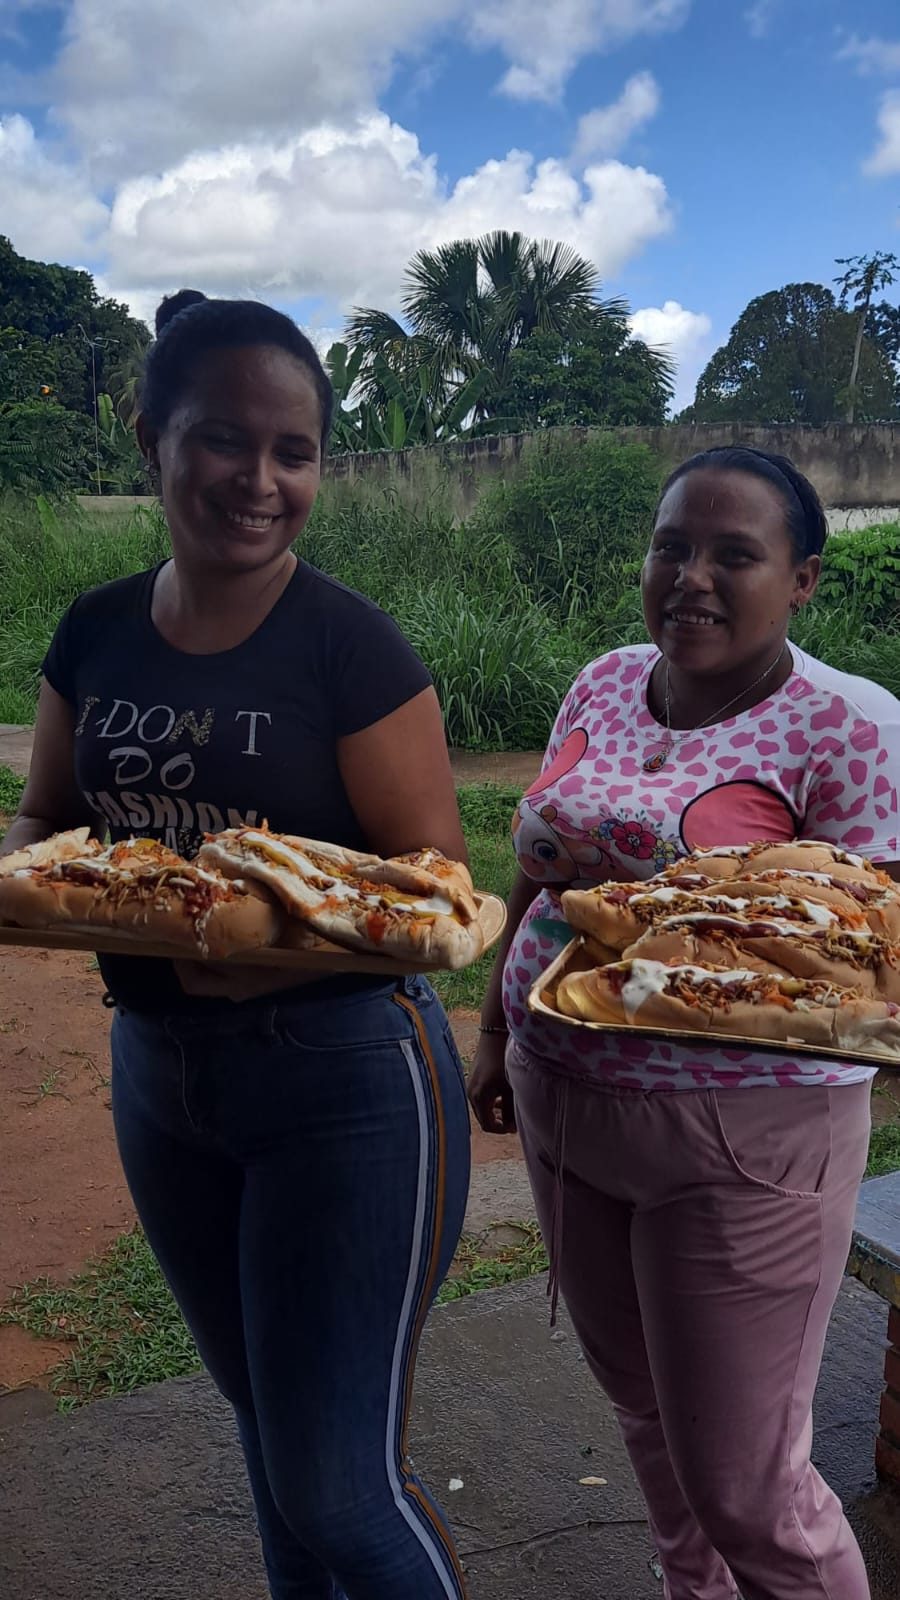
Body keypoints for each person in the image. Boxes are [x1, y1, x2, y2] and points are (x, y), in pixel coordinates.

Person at [3, 290, 472, 1600]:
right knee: (270, 1436)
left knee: (341, 1488)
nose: (260, 480)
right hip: (161, 1079)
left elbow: (438, 892)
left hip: (346, 1080)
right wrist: (51, 892)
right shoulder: (94, 630)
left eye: (293, 451)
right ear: (150, 435)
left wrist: (273, 949)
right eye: (224, 438)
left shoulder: (348, 645)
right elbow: (48, 820)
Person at [469, 446, 900, 1600]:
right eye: (672, 546)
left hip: (743, 1137)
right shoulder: (606, 680)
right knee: (647, 1412)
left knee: (749, 1488)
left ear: (802, 579)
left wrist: (707, 954)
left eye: (733, 554)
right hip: (565, 1098)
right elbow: (540, 863)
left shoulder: (850, 726)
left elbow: (880, 956)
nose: (691, 577)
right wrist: (496, 1026)